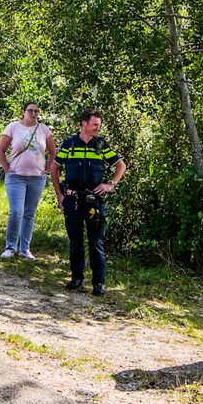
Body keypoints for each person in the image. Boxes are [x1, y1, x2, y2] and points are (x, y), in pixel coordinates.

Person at [52, 109, 125, 296]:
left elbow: (120, 165)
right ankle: (76, 278)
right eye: (94, 125)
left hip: (95, 201)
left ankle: (98, 283)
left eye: (98, 125)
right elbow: (55, 169)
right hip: (73, 200)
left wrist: (111, 184)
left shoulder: (101, 145)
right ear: (83, 124)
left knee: (96, 242)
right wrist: (60, 196)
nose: (97, 128)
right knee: (75, 240)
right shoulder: (69, 144)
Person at [0, 101, 56, 260]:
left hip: (36, 178)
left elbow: (52, 151)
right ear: (23, 112)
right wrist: (6, 168)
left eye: (36, 111)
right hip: (16, 177)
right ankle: (10, 247)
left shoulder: (43, 129)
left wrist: (47, 168)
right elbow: (1, 150)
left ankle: (25, 249)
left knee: (29, 214)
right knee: (16, 212)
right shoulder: (13, 127)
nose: (34, 113)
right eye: (30, 110)